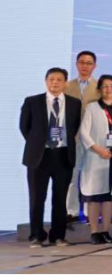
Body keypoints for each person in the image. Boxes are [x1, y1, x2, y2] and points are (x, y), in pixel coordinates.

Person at [21, 68, 82, 248]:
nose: (55, 82)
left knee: (60, 198)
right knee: (37, 198)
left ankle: (58, 236)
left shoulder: (74, 103)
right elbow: (24, 127)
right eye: (51, 79)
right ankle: (36, 235)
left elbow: (74, 127)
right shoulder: (32, 101)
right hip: (39, 156)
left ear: (65, 83)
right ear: (46, 81)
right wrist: (39, 143)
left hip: (63, 155)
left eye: (59, 79)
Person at [77, 74, 112, 244]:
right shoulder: (92, 108)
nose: (108, 89)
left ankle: (105, 230)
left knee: (109, 197)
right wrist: (98, 149)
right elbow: (84, 133)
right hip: (96, 156)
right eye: (104, 86)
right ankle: (94, 232)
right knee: (94, 196)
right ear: (99, 89)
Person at [65, 51, 99, 221]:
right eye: (82, 62)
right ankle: (71, 211)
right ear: (77, 64)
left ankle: (88, 212)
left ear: (94, 66)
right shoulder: (66, 86)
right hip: (72, 138)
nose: (85, 66)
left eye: (89, 63)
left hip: (93, 139)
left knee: (91, 176)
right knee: (71, 176)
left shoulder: (100, 87)